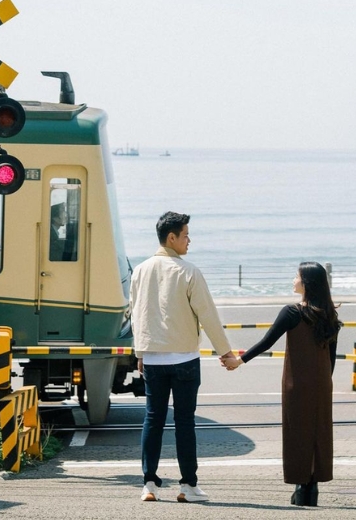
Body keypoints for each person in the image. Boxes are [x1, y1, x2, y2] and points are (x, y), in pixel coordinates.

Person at [129, 211, 238, 503]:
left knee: (152, 420)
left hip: (152, 358)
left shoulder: (139, 271)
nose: (190, 240)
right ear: (172, 237)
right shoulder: (189, 272)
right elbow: (208, 316)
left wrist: (140, 352)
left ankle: (149, 485)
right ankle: (188, 486)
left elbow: (136, 315)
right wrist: (225, 352)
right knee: (184, 422)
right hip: (184, 359)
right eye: (186, 235)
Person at [223, 261, 341, 507]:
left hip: (296, 383)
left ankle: (301, 487)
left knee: (297, 432)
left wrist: (238, 361)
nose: (293, 280)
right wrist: (323, 382)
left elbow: (266, 342)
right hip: (322, 384)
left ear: (306, 282)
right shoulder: (329, 314)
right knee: (319, 432)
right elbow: (331, 358)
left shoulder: (292, 312)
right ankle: (313, 489)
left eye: (296, 276)